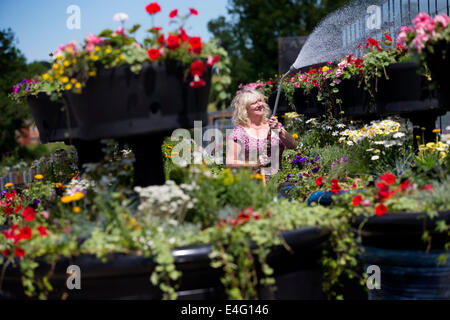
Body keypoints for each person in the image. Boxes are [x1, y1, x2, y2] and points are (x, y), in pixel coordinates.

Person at [226, 89, 297, 180]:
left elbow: (293, 145)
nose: (260, 105)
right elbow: (230, 163)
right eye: (254, 103)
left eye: (260, 101)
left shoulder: (273, 125)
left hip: (278, 181)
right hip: (254, 185)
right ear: (245, 109)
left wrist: (278, 130)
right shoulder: (239, 133)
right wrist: (255, 164)